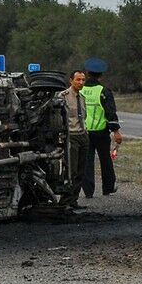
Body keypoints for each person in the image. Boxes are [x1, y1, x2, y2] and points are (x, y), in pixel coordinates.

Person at [81, 57, 124, 197]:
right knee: (105, 160)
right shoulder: (104, 91)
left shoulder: (80, 90)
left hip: (84, 132)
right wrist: (116, 132)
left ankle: (88, 191)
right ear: (101, 75)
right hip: (101, 132)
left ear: (87, 73)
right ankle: (108, 188)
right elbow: (111, 113)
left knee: (87, 163)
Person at [58, 70, 89, 208]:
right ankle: (65, 201)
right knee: (71, 170)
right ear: (71, 81)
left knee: (82, 171)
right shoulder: (63, 96)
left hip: (83, 135)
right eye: (78, 80)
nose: (81, 82)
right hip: (71, 136)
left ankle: (73, 200)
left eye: (83, 80)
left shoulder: (82, 97)